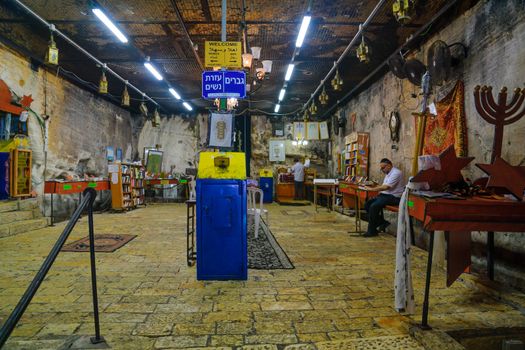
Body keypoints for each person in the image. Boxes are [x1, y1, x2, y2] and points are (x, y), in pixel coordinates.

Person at [361, 158, 405, 237]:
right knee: (367, 204)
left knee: (374, 206)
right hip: (385, 195)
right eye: (381, 168)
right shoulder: (388, 173)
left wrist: (372, 189)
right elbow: (383, 186)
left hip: (394, 197)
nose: (382, 170)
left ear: (389, 165)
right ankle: (382, 222)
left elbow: (386, 187)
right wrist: (373, 185)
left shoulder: (396, 173)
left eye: (383, 168)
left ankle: (371, 231)